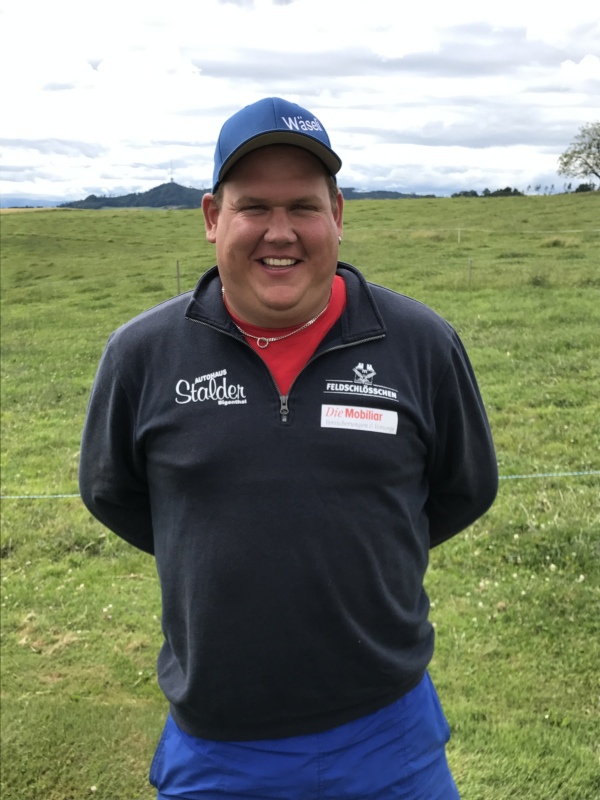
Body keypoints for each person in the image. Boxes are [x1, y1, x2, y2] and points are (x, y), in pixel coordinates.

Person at [79, 97, 498, 799]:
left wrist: (370, 541)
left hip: (388, 730)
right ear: (213, 217)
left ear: (338, 213)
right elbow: (112, 493)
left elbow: (466, 488)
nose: (281, 232)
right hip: (218, 745)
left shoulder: (422, 343)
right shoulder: (141, 356)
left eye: (304, 206)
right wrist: (206, 537)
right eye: (254, 207)